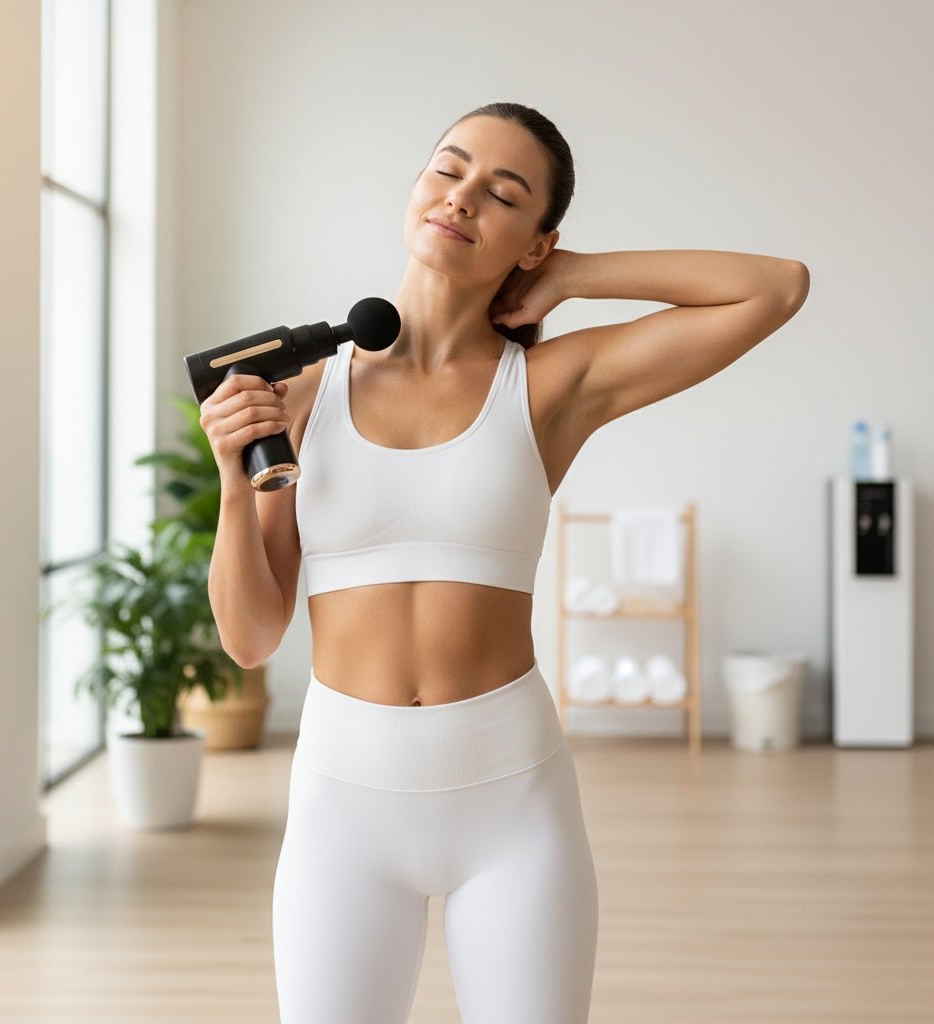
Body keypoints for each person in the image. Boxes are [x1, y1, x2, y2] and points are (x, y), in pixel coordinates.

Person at [200, 100, 809, 1023]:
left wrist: (575, 278)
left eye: (503, 192)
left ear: (536, 238)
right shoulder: (304, 392)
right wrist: (231, 484)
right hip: (343, 809)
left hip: (511, 808)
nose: (463, 196)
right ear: (416, 187)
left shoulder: (552, 386)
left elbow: (776, 287)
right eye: (448, 168)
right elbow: (249, 639)